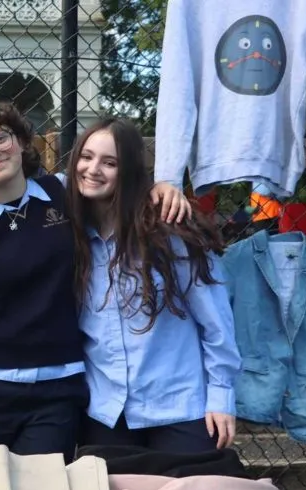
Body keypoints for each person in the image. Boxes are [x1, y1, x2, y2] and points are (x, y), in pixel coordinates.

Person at [0, 99, 192, 461]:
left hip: (58, 385)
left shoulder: (63, 193)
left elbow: (116, 190)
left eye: (0, 138)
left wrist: (161, 187)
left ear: (21, 141)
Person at [70, 118, 240, 451]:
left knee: (195, 487)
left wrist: (221, 394)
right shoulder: (71, 234)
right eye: (86, 157)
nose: (93, 169)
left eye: (110, 162)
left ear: (129, 171)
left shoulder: (168, 232)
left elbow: (216, 321)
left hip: (177, 406)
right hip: (106, 411)